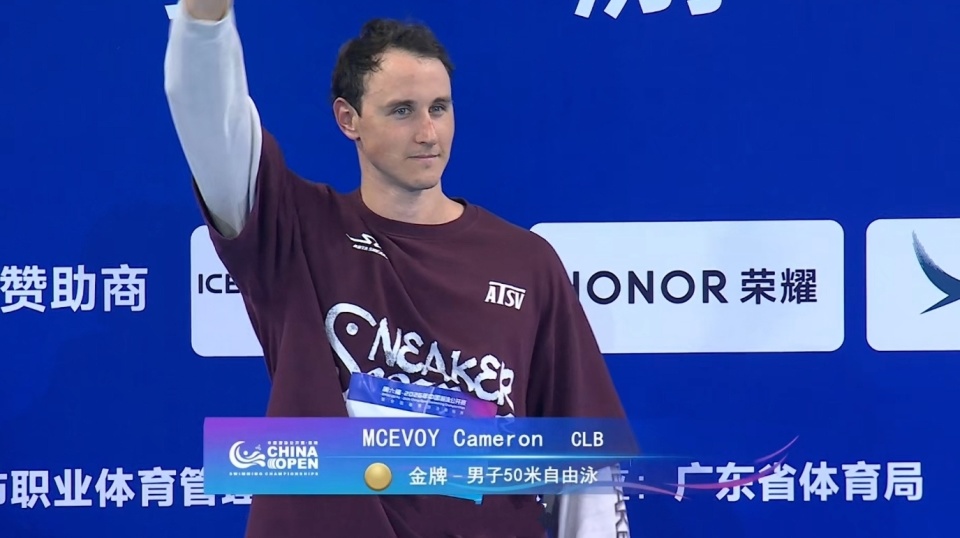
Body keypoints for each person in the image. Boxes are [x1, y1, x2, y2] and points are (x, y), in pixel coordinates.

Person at [164, 0, 630, 536]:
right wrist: (205, 20)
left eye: (440, 108)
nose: (428, 133)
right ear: (349, 119)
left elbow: (585, 464)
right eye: (402, 110)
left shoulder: (526, 261)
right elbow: (212, 121)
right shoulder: (293, 231)